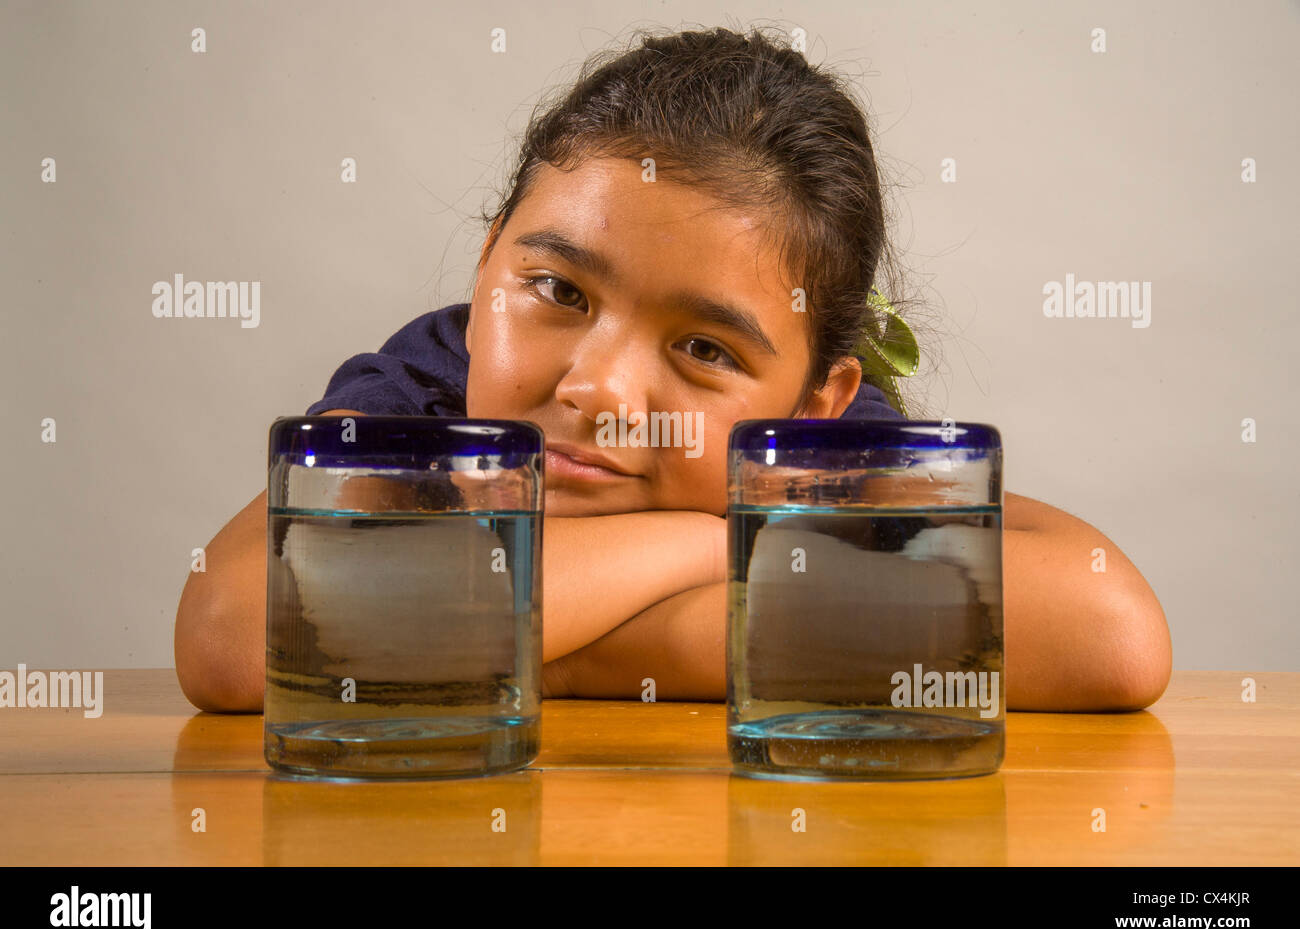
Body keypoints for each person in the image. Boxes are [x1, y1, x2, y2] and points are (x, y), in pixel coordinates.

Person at [174, 26, 1171, 713]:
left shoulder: (814, 452)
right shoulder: (426, 385)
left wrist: (487, 641)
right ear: (484, 272)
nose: (597, 389)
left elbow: (1109, 634)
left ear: (816, 409)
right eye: (558, 291)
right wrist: (715, 541)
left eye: (703, 348)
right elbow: (229, 629)